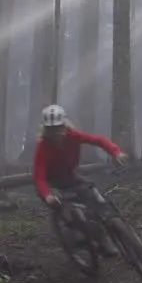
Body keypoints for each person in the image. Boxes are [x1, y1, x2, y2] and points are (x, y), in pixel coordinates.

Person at [32, 104, 128, 256]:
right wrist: (48, 195)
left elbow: (100, 141)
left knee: (94, 198)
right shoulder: (43, 147)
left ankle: (105, 235)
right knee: (65, 208)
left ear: (64, 126)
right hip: (51, 183)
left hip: (70, 177)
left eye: (58, 128)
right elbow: (39, 176)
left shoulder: (73, 136)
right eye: (51, 130)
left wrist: (116, 153)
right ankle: (73, 235)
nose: (56, 133)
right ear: (45, 131)